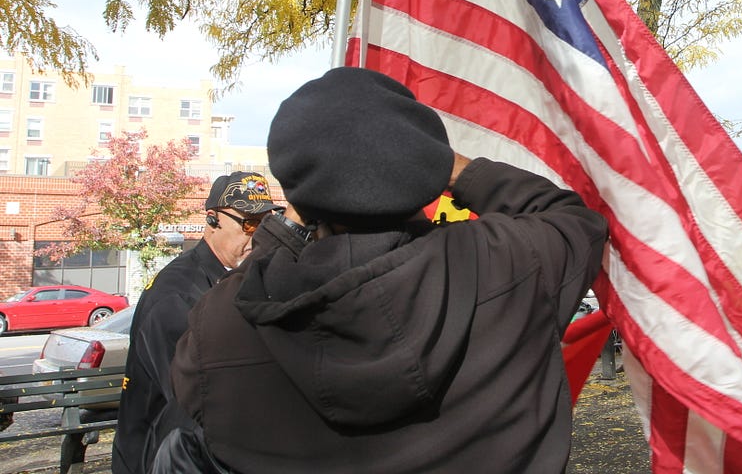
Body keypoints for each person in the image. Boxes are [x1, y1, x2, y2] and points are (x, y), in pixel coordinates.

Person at [156, 67, 609, 474]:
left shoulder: (224, 327)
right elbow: (574, 219)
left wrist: (289, 222)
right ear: (420, 163)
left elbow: (194, 385)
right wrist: (448, 166)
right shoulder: (504, 261)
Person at [112, 172, 282, 474]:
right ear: (212, 219)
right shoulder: (176, 295)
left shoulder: (234, 277)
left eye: (266, 223)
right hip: (159, 457)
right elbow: (194, 398)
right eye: (249, 224)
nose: (257, 236)